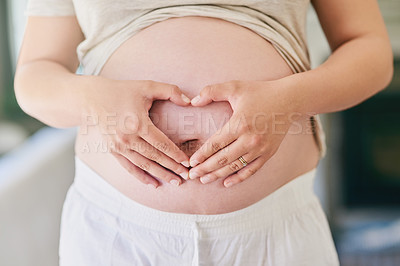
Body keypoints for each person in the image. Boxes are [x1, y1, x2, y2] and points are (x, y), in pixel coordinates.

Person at [14, 0, 393, 265]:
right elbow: (34, 76)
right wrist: (96, 100)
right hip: (118, 233)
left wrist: (288, 100)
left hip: (274, 229)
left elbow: (370, 50)